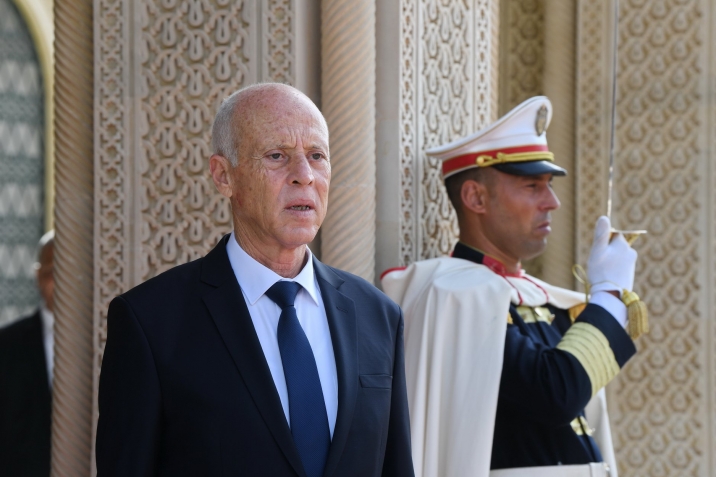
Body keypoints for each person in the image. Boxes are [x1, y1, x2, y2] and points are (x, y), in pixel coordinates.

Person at [96, 83, 414, 477]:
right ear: (223, 176)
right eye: (277, 156)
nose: (304, 176)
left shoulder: (378, 316)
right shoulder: (151, 322)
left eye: (317, 156)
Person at [382, 97, 639, 477]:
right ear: (476, 197)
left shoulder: (539, 298)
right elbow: (556, 392)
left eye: (549, 186)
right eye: (532, 186)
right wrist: (609, 295)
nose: (552, 202)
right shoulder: (455, 295)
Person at [0, 230, 55, 477]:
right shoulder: (6, 344)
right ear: (38, 275)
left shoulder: (104, 338)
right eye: (53, 273)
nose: (62, 282)